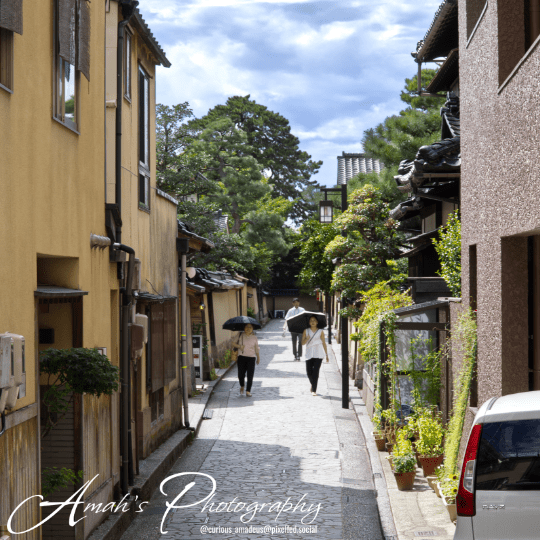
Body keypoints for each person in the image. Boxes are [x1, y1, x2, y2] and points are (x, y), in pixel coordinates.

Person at [301, 315, 329, 396]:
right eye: (311, 321)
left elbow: (324, 343)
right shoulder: (306, 331)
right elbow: (302, 343)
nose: (312, 322)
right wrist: (306, 338)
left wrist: (326, 354)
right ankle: (313, 384)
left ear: (317, 322)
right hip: (309, 353)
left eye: (314, 320)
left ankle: (314, 390)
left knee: (316, 372)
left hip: (318, 353)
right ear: (309, 323)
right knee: (309, 372)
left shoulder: (321, 331)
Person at [232, 323, 260, 397]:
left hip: (251, 358)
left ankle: (248, 391)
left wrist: (258, 357)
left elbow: (256, 348)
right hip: (241, 357)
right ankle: (242, 385)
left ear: (252, 328)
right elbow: (233, 343)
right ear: (244, 328)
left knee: (250, 375)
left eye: (250, 327)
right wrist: (239, 346)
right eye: (247, 327)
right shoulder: (240, 335)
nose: (248, 328)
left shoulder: (254, 337)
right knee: (240, 375)